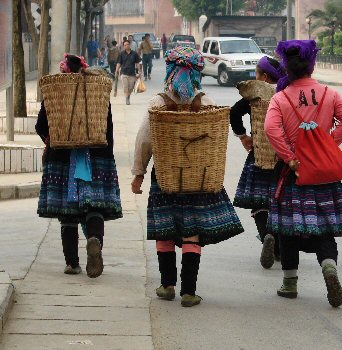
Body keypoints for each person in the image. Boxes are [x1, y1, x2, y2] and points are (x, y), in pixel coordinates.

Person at [131, 46, 244, 307]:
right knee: (192, 232)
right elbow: (216, 142)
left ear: (170, 71)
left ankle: (167, 285)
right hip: (199, 178)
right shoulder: (206, 103)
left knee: (165, 230)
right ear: (196, 74)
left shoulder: (158, 104)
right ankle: (189, 291)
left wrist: (139, 173)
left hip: (166, 177)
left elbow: (144, 141)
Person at [264, 40, 342, 307]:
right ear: (311, 65)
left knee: (288, 228)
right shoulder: (329, 93)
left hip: (293, 172)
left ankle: (290, 283)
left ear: (287, 68)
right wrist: (327, 145)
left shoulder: (281, 98)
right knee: (325, 226)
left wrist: (291, 157)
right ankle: (329, 267)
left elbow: (272, 129)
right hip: (323, 172)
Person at [35, 54, 123, 278]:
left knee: (67, 213)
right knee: (95, 206)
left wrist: (52, 140)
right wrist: (107, 157)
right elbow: (107, 127)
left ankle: (72, 263)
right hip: (97, 156)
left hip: (61, 158)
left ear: (64, 71)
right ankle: (95, 241)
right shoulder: (97, 90)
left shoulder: (55, 92)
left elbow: (40, 125)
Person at [230, 56, 286, 269]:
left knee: (258, 203)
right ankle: (279, 246)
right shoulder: (285, 93)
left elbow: (234, 112)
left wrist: (243, 136)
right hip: (283, 157)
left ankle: (265, 237)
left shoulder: (255, 93)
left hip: (259, 155)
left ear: (263, 76)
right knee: (279, 203)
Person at [116, 40, 142, 105]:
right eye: (125, 45)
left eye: (127, 44)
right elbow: (119, 63)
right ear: (123, 46)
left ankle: (128, 96)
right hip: (123, 73)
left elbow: (137, 63)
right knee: (125, 86)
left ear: (129, 45)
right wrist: (117, 70)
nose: (126, 46)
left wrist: (139, 71)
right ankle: (127, 99)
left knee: (131, 88)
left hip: (132, 74)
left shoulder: (134, 53)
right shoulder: (121, 54)